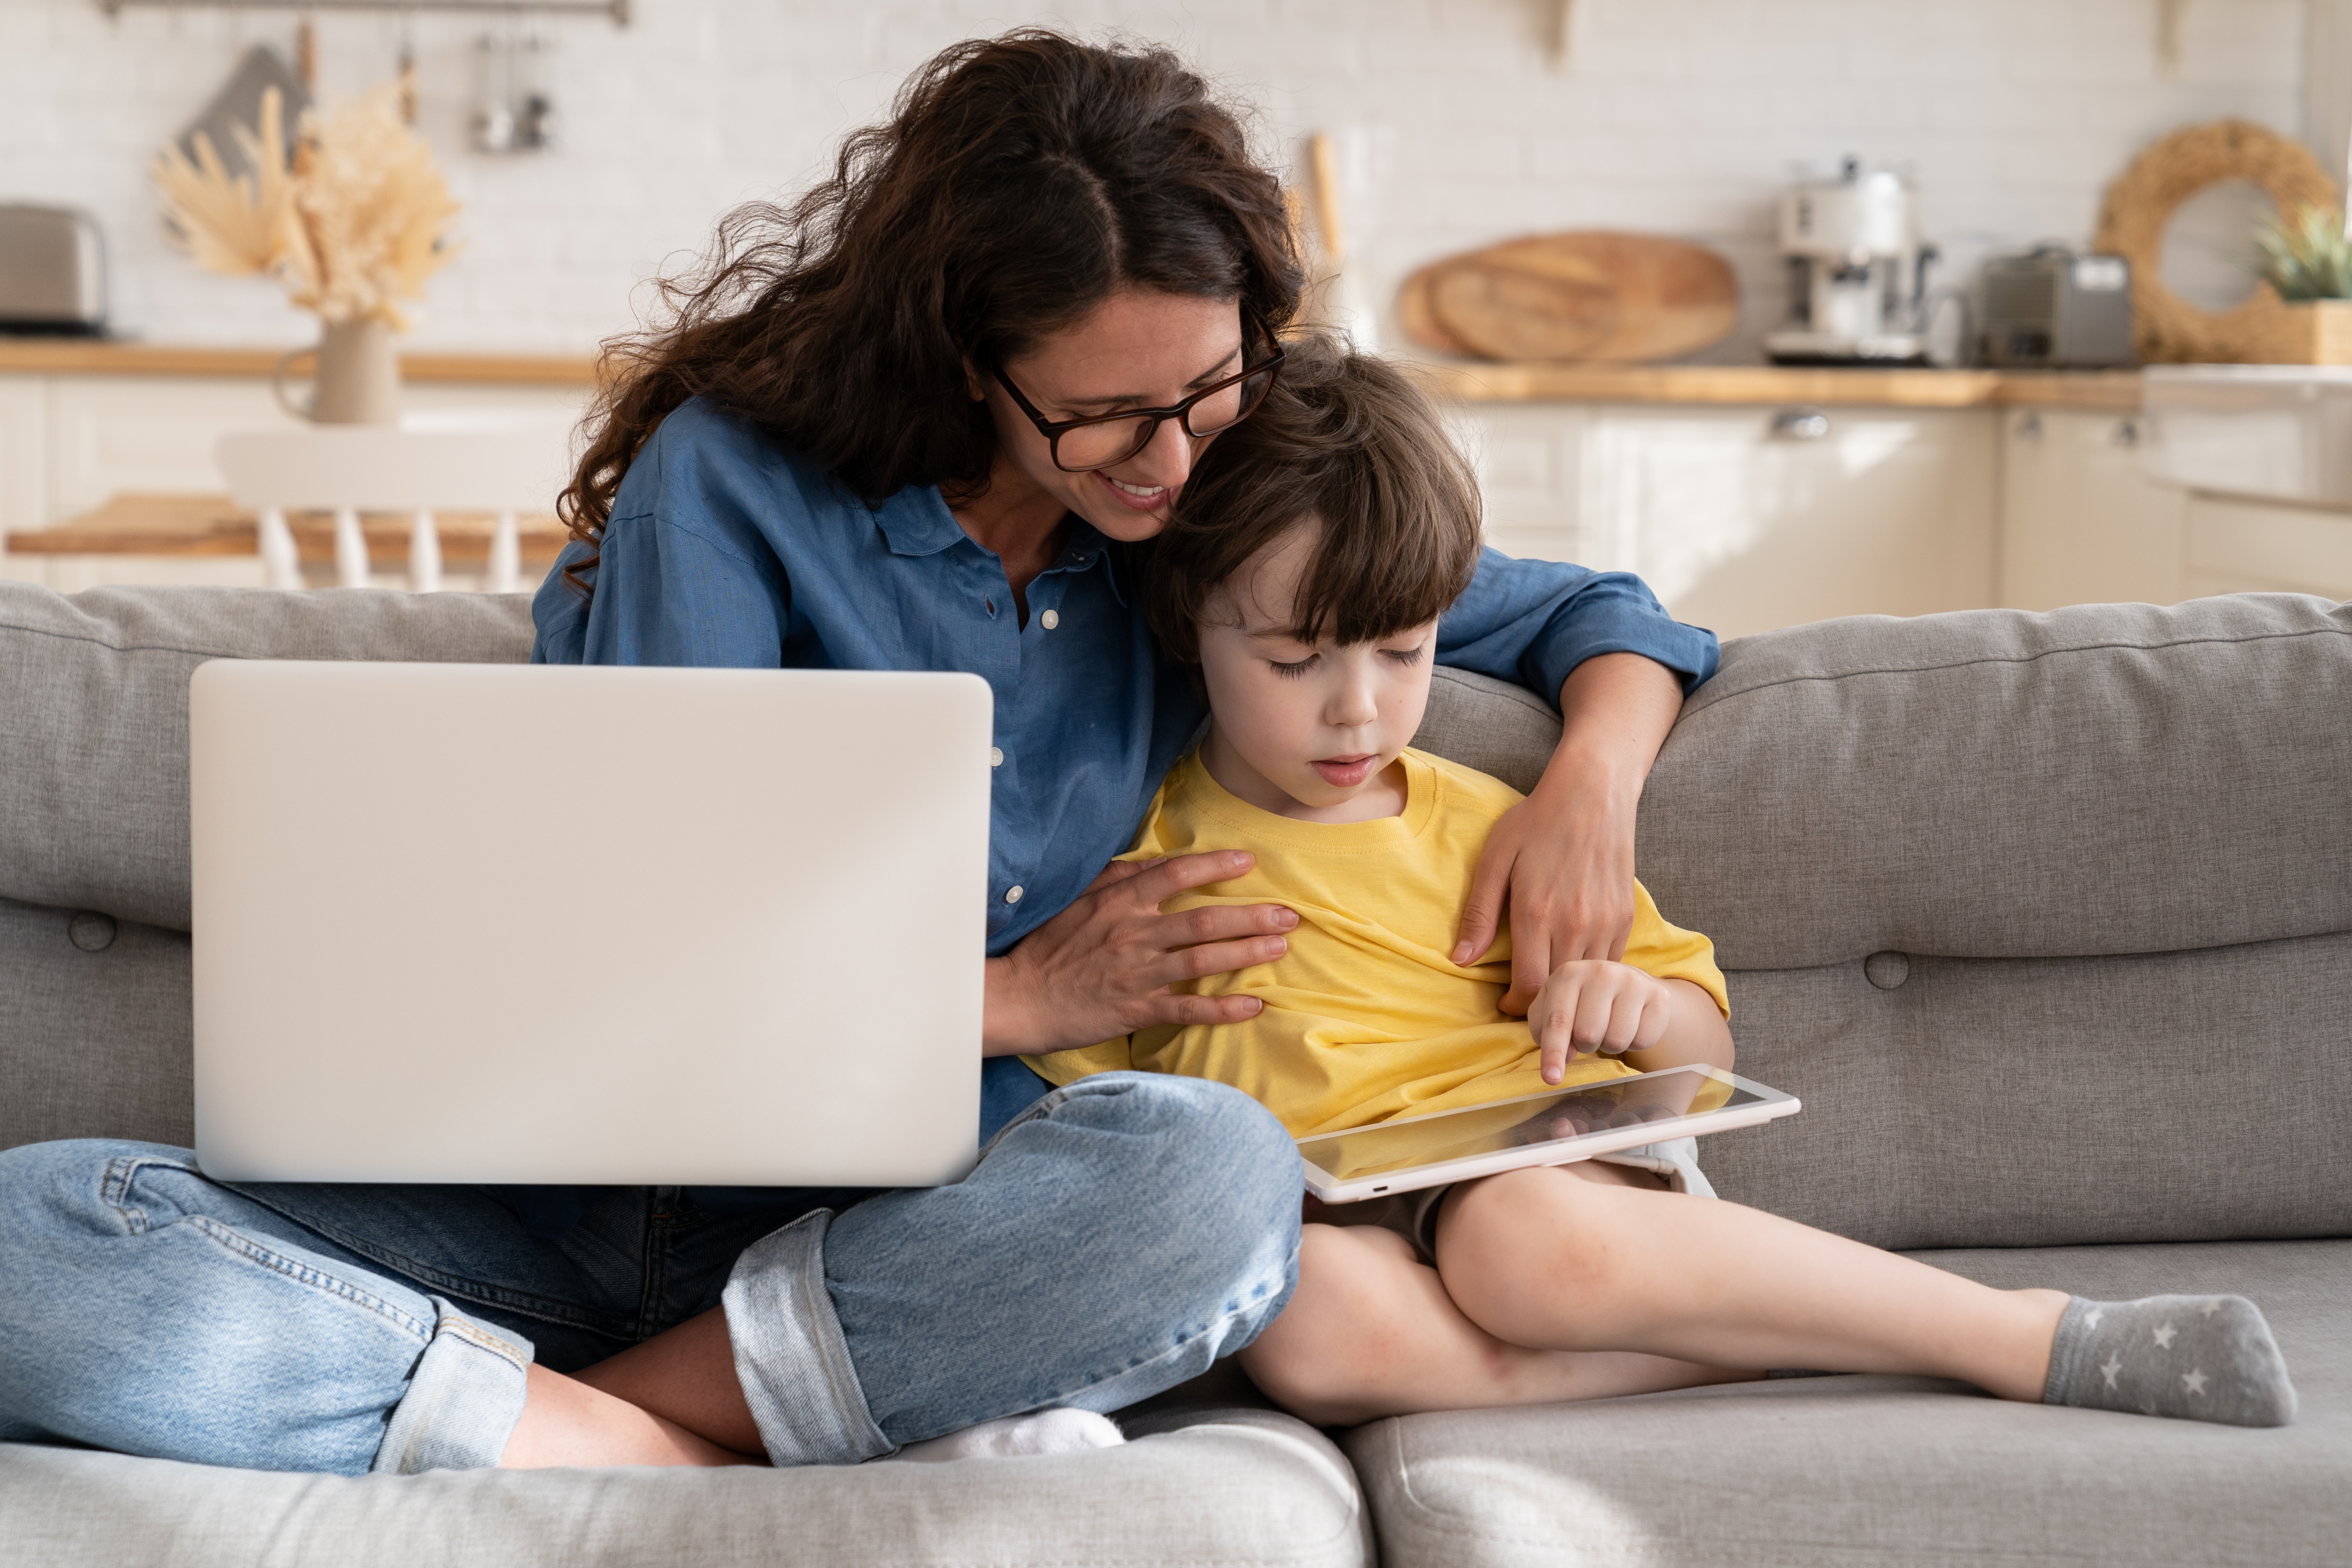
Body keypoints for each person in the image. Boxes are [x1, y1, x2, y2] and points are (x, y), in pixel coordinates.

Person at [0, 34, 1716, 1476]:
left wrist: (1586, 794)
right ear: (967, 362)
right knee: (35, 1237)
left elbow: (1603, 616)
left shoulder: (1206, 516)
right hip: (552, 1199)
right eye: (1103, 417)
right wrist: (1014, 999)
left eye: (1206, 390)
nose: (1171, 463)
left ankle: (537, 1417)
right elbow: (640, 949)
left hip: (914, 1234)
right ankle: (655, 1444)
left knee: (1210, 1175)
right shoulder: (729, 492)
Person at [1030, 335, 2300, 1432]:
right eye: (1295, 661)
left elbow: (1699, 1046)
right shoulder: (1137, 860)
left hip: (1551, 1186)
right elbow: (1087, 1111)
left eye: (1404, 652)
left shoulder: (1487, 823)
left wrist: (1641, 1013)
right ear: (1187, 624)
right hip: (1338, 1218)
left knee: (1515, 1246)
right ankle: (1740, 1347)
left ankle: (2022, 1336)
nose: (1357, 709)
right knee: (1304, 1328)